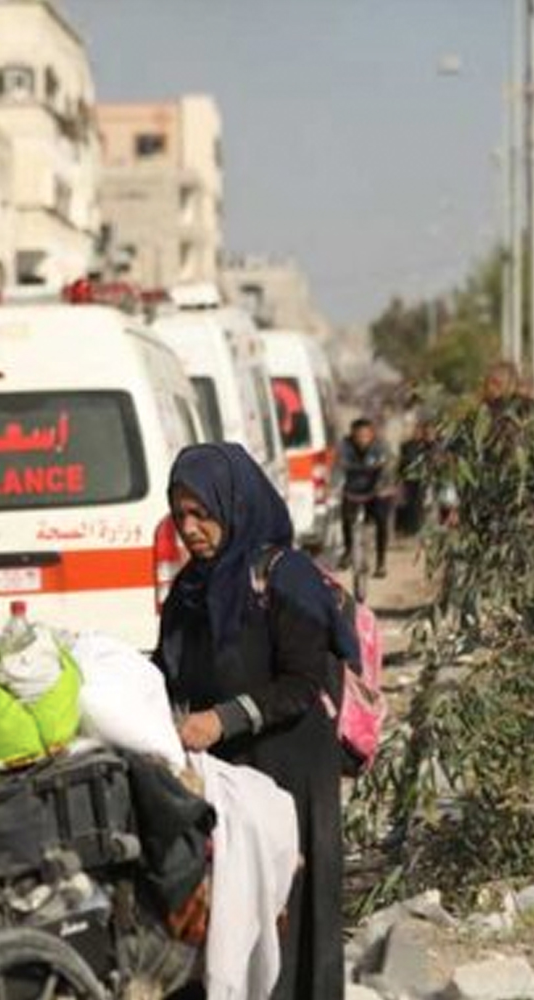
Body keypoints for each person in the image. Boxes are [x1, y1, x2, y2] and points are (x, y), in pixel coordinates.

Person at [154, 443, 345, 1000]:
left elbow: (303, 683)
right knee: (232, 914)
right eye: (180, 514)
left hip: (291, 769)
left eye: (202, 513)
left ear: (233, 505)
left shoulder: (287, 577)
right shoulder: (190, 591)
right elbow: (172, 672)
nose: (190, 528)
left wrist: (223, 719)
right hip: (227, 774)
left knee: (290, 912)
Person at [337, 418, 391, 577]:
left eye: (366, 435)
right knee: (346, 517)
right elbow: (336, 469)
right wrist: (333, 487)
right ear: (352, 435)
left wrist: (384, 487)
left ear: (372, 435)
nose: (362, 439)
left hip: (376, 489)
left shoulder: (381, 446)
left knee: (382, 520)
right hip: (352, 490)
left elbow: (388, 469)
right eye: (358, 435)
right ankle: (347, 551)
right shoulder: (344, 446)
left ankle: (381, 563)